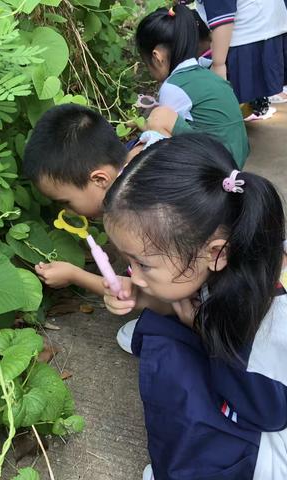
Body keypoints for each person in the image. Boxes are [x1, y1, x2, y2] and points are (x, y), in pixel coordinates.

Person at [103, 134, 287, 479]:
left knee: (169, 359)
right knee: (163, 326)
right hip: (246, 374)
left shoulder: (268, 318)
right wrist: (140, 296)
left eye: (142, 265)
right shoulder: (227, 258)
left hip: (270, 438)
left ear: (215, 253)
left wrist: (203, 332)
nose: (133, 274)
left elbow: (268, 412)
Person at [22, 104, 129, 296]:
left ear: (99, 179)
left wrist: (75, 276)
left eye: (66, 202)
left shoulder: (137, 219)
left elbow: (145, 294)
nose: (67, 211)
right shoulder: (142, 156)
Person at [137, 4, 249, 168]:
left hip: (215, 166)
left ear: (157, 56)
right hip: (234, 158)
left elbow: (162, 128)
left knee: (159, 116)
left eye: (146, 63)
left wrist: (144, 125)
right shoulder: (206, 72)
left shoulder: (173, 86)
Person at [195, 0, 287, 117]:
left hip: (250, 34)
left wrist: (218, 64)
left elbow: (223, 22)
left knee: (231, 97)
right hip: (268, 24)